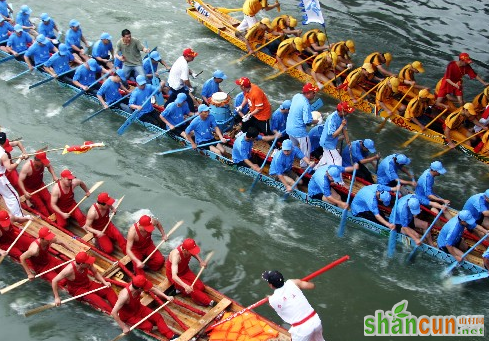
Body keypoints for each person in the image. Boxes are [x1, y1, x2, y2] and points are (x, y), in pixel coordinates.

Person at [262, 270, 324, 341]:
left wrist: (268, 297)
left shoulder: (273, 300)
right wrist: (299, 284)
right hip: (315, 320)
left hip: (302, 329)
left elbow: (273, 304)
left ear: (270, 285)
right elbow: (312, 286)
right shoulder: (293, 282)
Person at [111, 274, 177, 340]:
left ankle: (171, 336)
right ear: (139, 288)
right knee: (148, 326)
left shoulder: (137, 284)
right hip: (129, 317)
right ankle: (132, 325)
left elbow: (153, 290)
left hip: (139, 308)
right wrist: (124, 327)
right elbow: (113, 312)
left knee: (158, 317)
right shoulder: (124, 296)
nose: (147, 288)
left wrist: (167, 297)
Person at [52, 251, 118, 312]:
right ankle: (113, 314)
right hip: (78, 290)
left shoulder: (87, 263)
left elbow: (95, 273)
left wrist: (104, 282)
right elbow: (54, 281)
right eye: (88, 262)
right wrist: (57, 297)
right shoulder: (68, 270)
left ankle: (119, 309)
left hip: (88, 284)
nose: (90, 263)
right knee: (98, 301)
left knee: (108, 290)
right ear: (81, 264)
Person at [166, 238, 214, 307]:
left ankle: (179, 290)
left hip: (185, 271)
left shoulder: (187, 249)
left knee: (201, 287)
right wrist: (185, 286)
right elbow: (174, 276)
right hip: (176, 276)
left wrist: (200, 261)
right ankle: (210, 302)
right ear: (185, 250)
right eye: (191, 251)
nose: (193, 252)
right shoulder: (176, 256)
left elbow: (193, 253)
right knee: (192, 290)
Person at [286, 83, 321, 168]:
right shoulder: (306, 105)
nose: (314, 95)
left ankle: (289, 160)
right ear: (308, 93)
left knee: (293, 147)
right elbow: (307, 121)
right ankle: (304, 166)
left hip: (289, 128)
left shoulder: (296, 96)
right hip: (299, 132)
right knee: (306, 150)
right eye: (313, 93)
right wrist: (317, 121)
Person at [18, 151, 57, 217]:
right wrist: (25, 192)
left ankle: (56, 215)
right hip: (30, 189)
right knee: (40, 205)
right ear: (36, 160)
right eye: (42, 162)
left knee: (49, 199)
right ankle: (48, 219)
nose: (44, 163)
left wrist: (54, 176)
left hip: (40, 185)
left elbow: (49, 166)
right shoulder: (27, 167)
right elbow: (20, 180)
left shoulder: (43, 163)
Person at [317, 101, 354, 168]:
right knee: (337, 159)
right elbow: (333, 134)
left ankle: (316, 169)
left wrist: (348, 142)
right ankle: (334, 175)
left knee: (325, 159)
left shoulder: (344, 117)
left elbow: (344, 130)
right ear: (341, 111)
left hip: (332, 142)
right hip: (327, 143)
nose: (348, 113)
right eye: (346, 111)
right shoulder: (332, 118)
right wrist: (342, 125)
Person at [166, 48, 198, 112]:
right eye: (192, 57)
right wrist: (190, 87)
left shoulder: (181, 58)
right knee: (189, 99)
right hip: (177, 86)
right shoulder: (184, 65)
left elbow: (186, 69)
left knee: (174, 95)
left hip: (171, 83)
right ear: (186, 56)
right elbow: (185, 80)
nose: (193, 58)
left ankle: (166, 106)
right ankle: (192, 113)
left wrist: (192, 73)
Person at [0, 135, 25, 218]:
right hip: (1, 177)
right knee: (14, 196)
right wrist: (20, 159)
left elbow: (17, 142)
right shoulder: (3, 155)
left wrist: (24, 152)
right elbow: (10, 168)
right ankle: (18, 217)